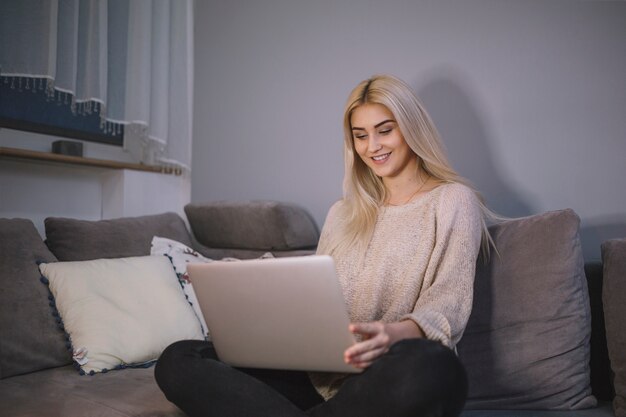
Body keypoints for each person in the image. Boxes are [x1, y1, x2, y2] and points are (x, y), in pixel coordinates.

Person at [155, 74, 492, 417]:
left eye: (385, 130)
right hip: (317, 378)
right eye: (360, 136)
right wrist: (239, 282)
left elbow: (448, 302)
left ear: (411, 127)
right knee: (178, 358)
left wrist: (394, 334)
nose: (372, 146)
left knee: (434, 368)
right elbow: (315, 297)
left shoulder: (453, 200)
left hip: (389, 373)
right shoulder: (342, 212)